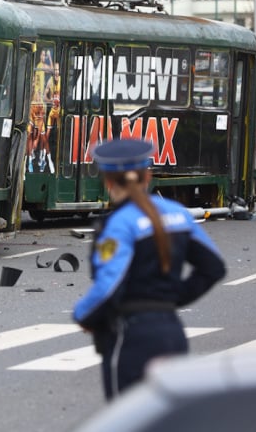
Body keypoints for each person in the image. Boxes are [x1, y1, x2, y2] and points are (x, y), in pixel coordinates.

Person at [73, 138, 226, 401]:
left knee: (127, 416)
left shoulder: (119, 224)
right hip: (172, 333)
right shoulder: (178, 214)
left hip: (131, 338)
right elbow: (213, 267)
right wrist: (171, 298)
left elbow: (109, 286)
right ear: (148, 176)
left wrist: (82, 315)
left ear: (108, 181)